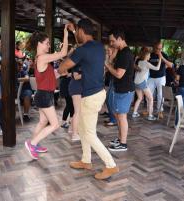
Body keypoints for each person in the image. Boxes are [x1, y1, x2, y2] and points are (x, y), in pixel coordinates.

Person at [58, 19, 119, 180]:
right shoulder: (99, 46)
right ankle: (86, 160)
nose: (76, 33)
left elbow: (62, 67)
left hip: (91, 96)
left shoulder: (82, 50)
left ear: (81, 31)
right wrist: (73, 31)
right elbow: (83, 45)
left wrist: (62, 68)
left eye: (77, 31)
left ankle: (110, 165)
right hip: (97, 93)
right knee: (84, 130)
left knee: (89, 133)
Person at [24, 25, 69, 160]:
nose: (49, 45)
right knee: (55, 124)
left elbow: (47, 77)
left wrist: (59, 74)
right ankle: (32, 143)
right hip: (44, 95)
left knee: (43, 122)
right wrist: (65, 34)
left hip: (43, 94)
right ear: (39, 43)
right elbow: (63, 53)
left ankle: (33, 144)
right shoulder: (42, 57)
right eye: (47, 43)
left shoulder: (41, 58)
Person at [105, 28, 135, 152]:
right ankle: (120, 138)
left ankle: (123, 144)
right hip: (120, 88)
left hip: (124, 89)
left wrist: (107, 64)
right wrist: (110, 59)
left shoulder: (126, 54)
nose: (111, 44)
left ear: (119, 39)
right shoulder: (121, 52)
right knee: (118, 115)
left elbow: (118, 74)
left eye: (113, 41)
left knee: (121, 116)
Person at [132, 47, 161, 121]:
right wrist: (160, 59)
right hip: (141, 83)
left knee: (139, 98)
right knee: (151, 98)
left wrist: (135, 59)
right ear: (146, 56)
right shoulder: (146, 63)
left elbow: (135, 64)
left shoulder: (139, 62)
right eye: (149, 55)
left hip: (136, 82)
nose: (150, 56)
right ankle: (150, 115)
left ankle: (134, 113)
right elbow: (157, 68)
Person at [147, 41, 173, 119]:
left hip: (161, 77)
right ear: (154, 47)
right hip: (151, 77)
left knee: (160, 95)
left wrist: (162, 58)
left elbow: (170, 65)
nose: (158, 50)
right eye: (157, 48)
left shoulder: (164, 54)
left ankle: (159, 111)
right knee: (148, 94)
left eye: (160, 48)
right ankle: (149, 110)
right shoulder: (150, 55)